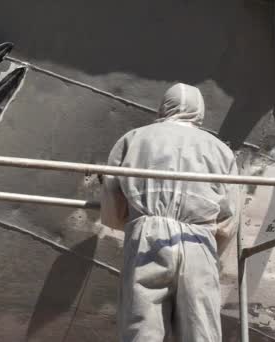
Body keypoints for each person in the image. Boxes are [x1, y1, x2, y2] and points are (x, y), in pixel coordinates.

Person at [101, 83, 241, 342]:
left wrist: (128, 223)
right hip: (199, 239)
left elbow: (112, 195)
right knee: (201, 326)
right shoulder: (220, 150)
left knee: (142, 323)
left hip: (148, 236)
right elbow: (229, 215)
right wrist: (213, 244)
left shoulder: (135, 138)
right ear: (199, 111)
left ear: (164, 105)